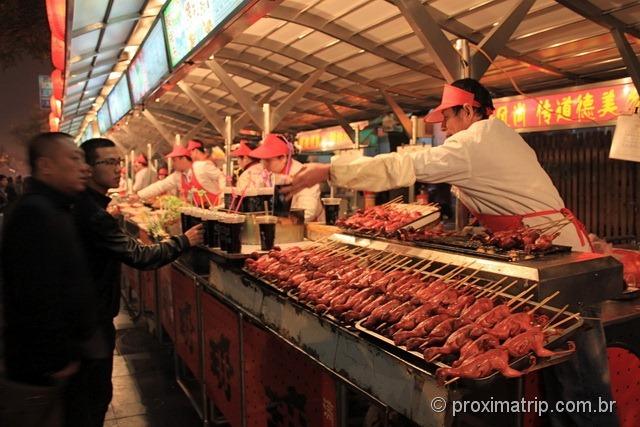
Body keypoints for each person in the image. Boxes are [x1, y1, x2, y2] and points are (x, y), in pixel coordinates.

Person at [285, 78, 617, 426]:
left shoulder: (477, 141)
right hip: (539, 257)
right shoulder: (493, 136)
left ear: (470, 111)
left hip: (558, 261)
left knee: (581, 380)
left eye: (448, 116)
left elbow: (407, 166)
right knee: (558, 371)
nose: (442, 126)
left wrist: (330, 170)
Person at [71, 137, 205, 427]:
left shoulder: (88, 205)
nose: (118, 168)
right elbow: (140, 256)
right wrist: (185, 240)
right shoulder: (92, 213)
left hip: (89, 314)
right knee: (93, 396)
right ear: (88, 168)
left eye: (118, 161)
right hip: (91, 318)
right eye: (109, 162)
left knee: (90, 395)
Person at [1, 132, 96, 426]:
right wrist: (55, 359)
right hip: (39, 368)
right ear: (46, 166)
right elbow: (35, 295)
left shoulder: (54, 207)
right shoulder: (35, 213)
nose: (85, 167)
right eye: (74, 158)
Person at [251, 134, 323, 222]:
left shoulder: (302, 174)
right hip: (282, 225)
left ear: (283, 158)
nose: (263, 165)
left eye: (268, 160)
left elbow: (307, 212)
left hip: (306, 226)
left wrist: (278, 221)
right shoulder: (270, 174)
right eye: (262, 160)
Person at [187, 139, 224, 204]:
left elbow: (221, 176)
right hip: (201, 204)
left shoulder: (204, 165)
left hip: (212, 204)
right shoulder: (195, 166)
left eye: (191, 153)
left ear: (195, 151)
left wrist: (222, 196)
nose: (190, 156)